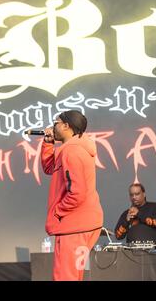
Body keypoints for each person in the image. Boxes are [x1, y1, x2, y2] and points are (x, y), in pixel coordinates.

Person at [41, 110, 103, 281]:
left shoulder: (72, 151)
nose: (53, 127)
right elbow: (49, 169)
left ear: (66, 126)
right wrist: (47, 144)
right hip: (81, 224)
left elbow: (77, 193)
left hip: (73, 226)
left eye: (56, 123)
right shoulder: (72, 148)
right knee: (73, 276)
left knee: (65, 277)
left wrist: (57, 212)